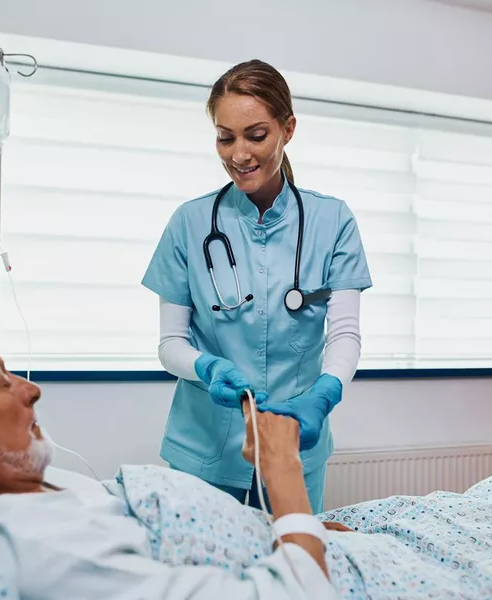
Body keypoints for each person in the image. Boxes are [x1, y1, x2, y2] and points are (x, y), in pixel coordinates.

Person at [0, 307, 345, 599]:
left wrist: (293, 527)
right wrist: (283, 479)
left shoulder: (43, 488)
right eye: (3, 381)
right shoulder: (46, 550)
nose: (31, 390)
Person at [141, 59, 372, 513]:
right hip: (203, 446)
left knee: (292, 571)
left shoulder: (333, 221)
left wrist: (324, 394)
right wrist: (205, 368)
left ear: (288, 129)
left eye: (256, 135)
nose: (238, 154)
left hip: (294, 445)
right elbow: (170, 344)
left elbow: (344, 334)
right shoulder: (189, 223)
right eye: (225, 137)